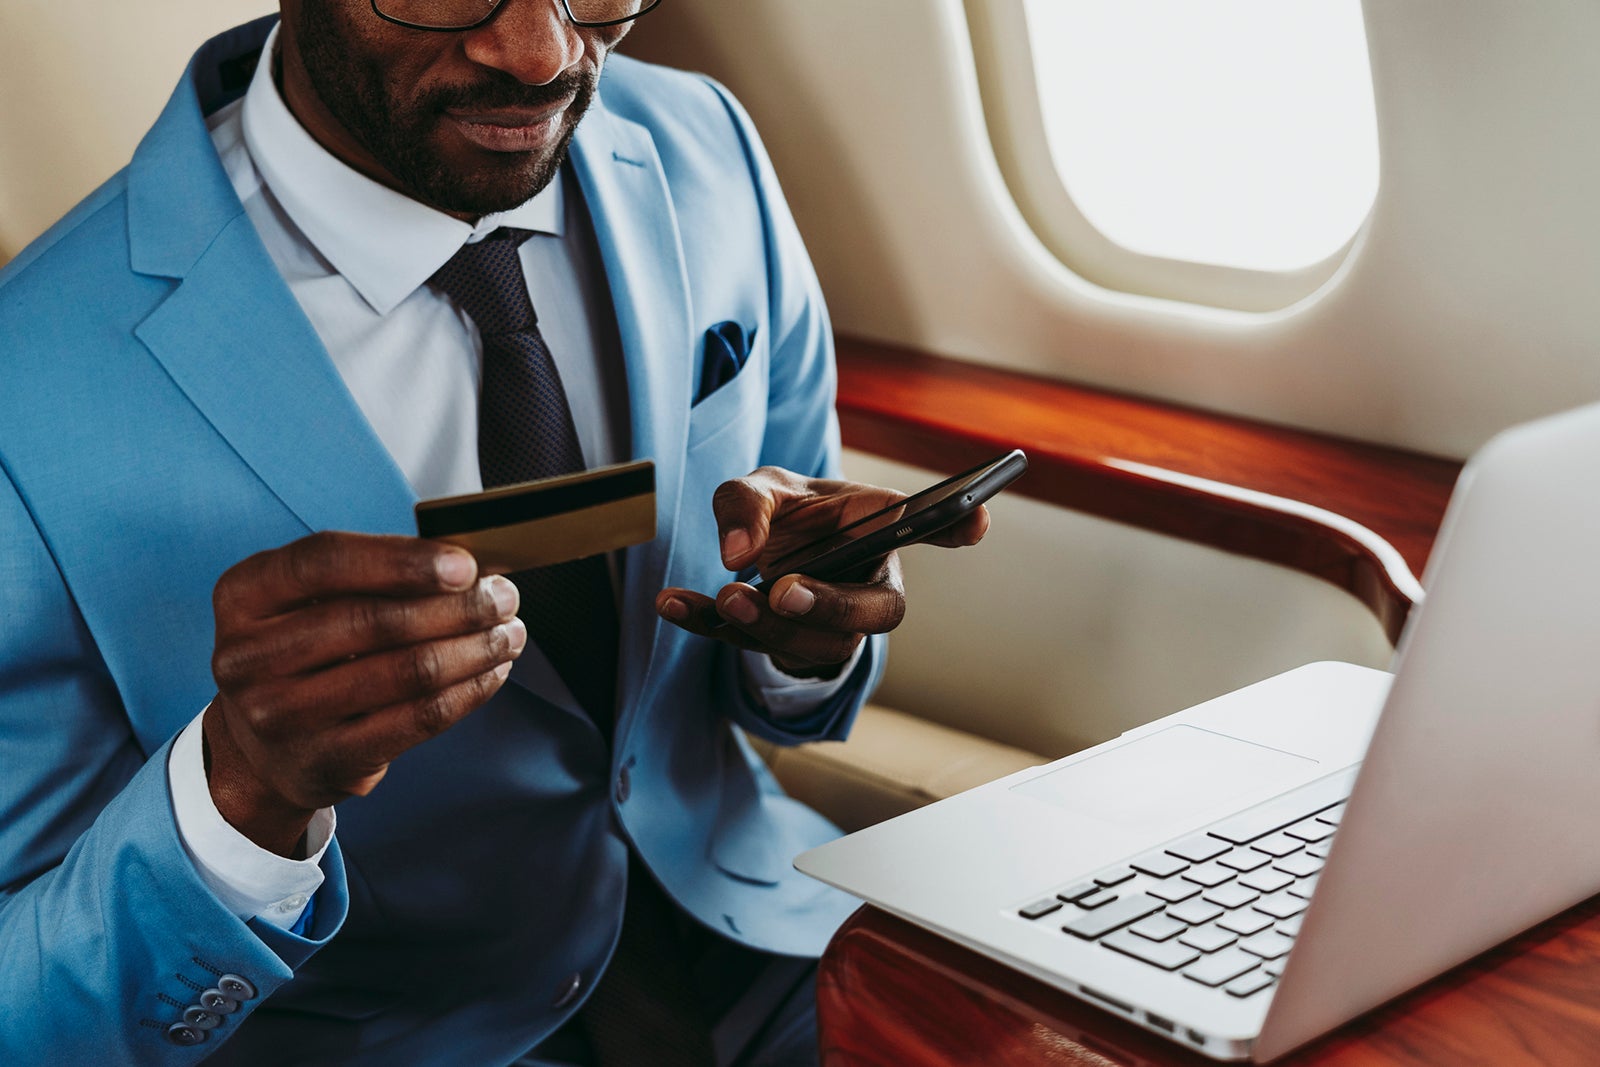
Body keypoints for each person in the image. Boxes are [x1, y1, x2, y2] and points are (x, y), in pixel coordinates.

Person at [0, 1, 990, 1064]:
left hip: (781, 940)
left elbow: (775, 667)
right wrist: (241, 793)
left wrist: (811, 638)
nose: (544, 54)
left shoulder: (709, 146)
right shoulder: (31, 380)